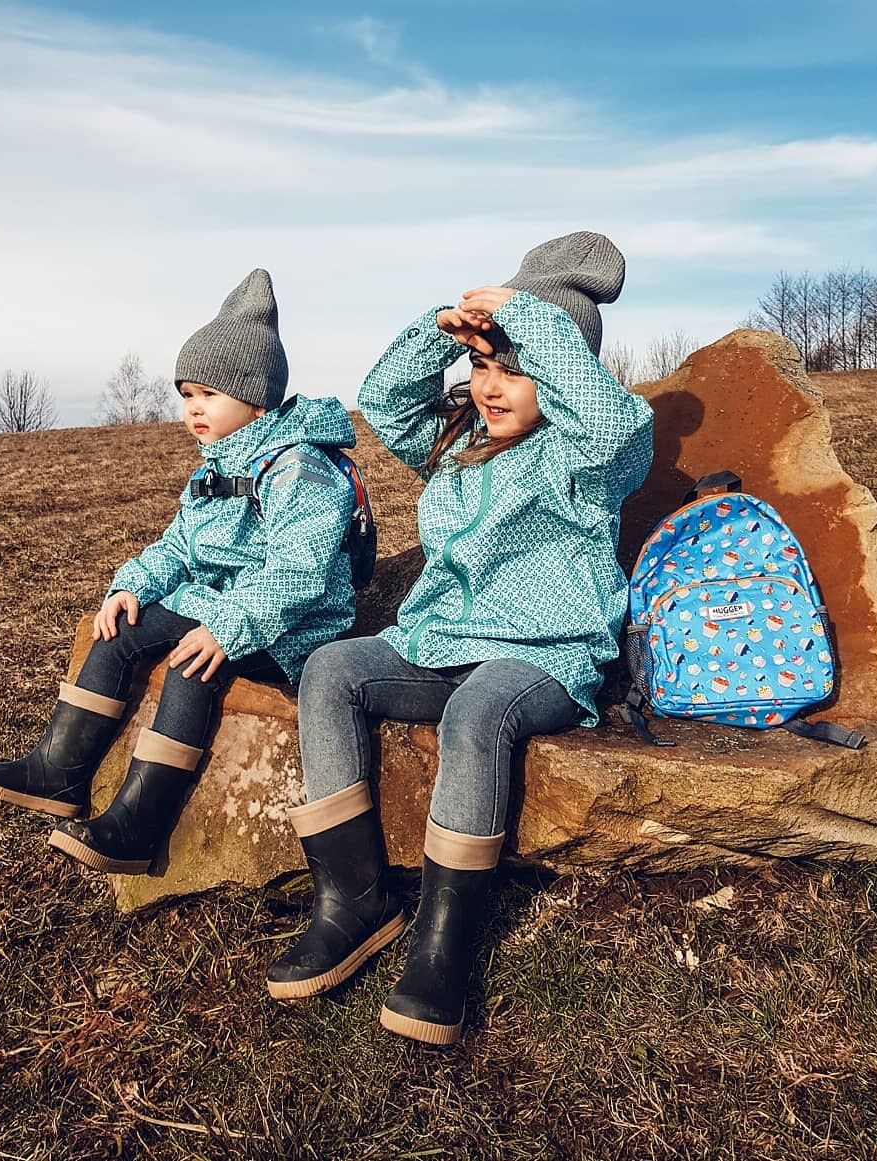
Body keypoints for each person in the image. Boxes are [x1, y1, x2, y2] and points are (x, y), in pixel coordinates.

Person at [266, 232, 655, 1045]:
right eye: (482, 366)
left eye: (515, 369)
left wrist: (526, 318)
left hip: (544, 654)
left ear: (559, 372)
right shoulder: (457, 446)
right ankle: (355, 901)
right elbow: (385, 398)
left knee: (478, 713)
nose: (491, 387)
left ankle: (442, 950)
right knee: (333, 668)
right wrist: (441, 326)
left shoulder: (590, 454)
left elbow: (613, 419)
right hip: (439, 638)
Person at [0, 269, 359, 875]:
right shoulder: (217, 463)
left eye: (209, 394)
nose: (194, 408)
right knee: (121, 633)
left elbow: (298, 572)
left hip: (291, 623)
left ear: (256, 397)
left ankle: (137, 827)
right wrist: (134, 585)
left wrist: (227, 629)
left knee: (189, 670)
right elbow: (179, 544)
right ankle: (57, 772)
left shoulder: (301, 466)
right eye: (186, 395)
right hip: (220, 601)